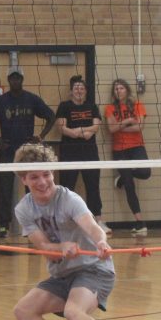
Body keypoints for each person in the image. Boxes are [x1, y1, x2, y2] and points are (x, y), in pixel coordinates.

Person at [11, 142, 130, 320]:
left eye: (46, 174)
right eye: (34, 177)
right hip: (62, 274)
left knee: (73, 311)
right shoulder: (24, 208)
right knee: (24, 310)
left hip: (93, 269)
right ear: (24, 179)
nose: (43, 181)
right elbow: (42, 246)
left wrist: (101, 242)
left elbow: (92, 226)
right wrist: (60, 247)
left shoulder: (69, 198)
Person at [0, 70, 55, 238]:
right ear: (8, 80)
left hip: (27, 150)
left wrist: (40, 136)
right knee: (4, 188)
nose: (15, 81)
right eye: (12, 78)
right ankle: (2, 226)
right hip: (8, 150)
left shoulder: (31, 99)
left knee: (32, 187)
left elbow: (51, 116)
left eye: (18, 78)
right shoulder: (1, 101)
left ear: (22, 80)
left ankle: (33, 224)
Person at [54, 75, 106, 232]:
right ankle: (64, 221)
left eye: (82, 88)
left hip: (89, 152)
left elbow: (95, 127)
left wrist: (80, 130)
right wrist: (76, 132)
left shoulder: (92, 106)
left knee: (93, 186)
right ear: (71, 91)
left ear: (85, 91)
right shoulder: (64, 106)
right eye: (76, 88)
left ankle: (98, 220)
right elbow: (62, 128)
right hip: (69, 152)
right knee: (67, 187)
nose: (79, 90)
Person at [103, 78, 151, 236]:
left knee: (145, 173)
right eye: (116, 89)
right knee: (130, 185)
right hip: (119, 149)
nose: (118, 91)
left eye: (121, 88)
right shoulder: (110, 108)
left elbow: (139, 127)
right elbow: (111, 129)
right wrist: (128, 121)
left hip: (137, 146)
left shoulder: (137, 105)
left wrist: (120, 126)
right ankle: (139, 223)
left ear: (127, 90)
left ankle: (122, 178)